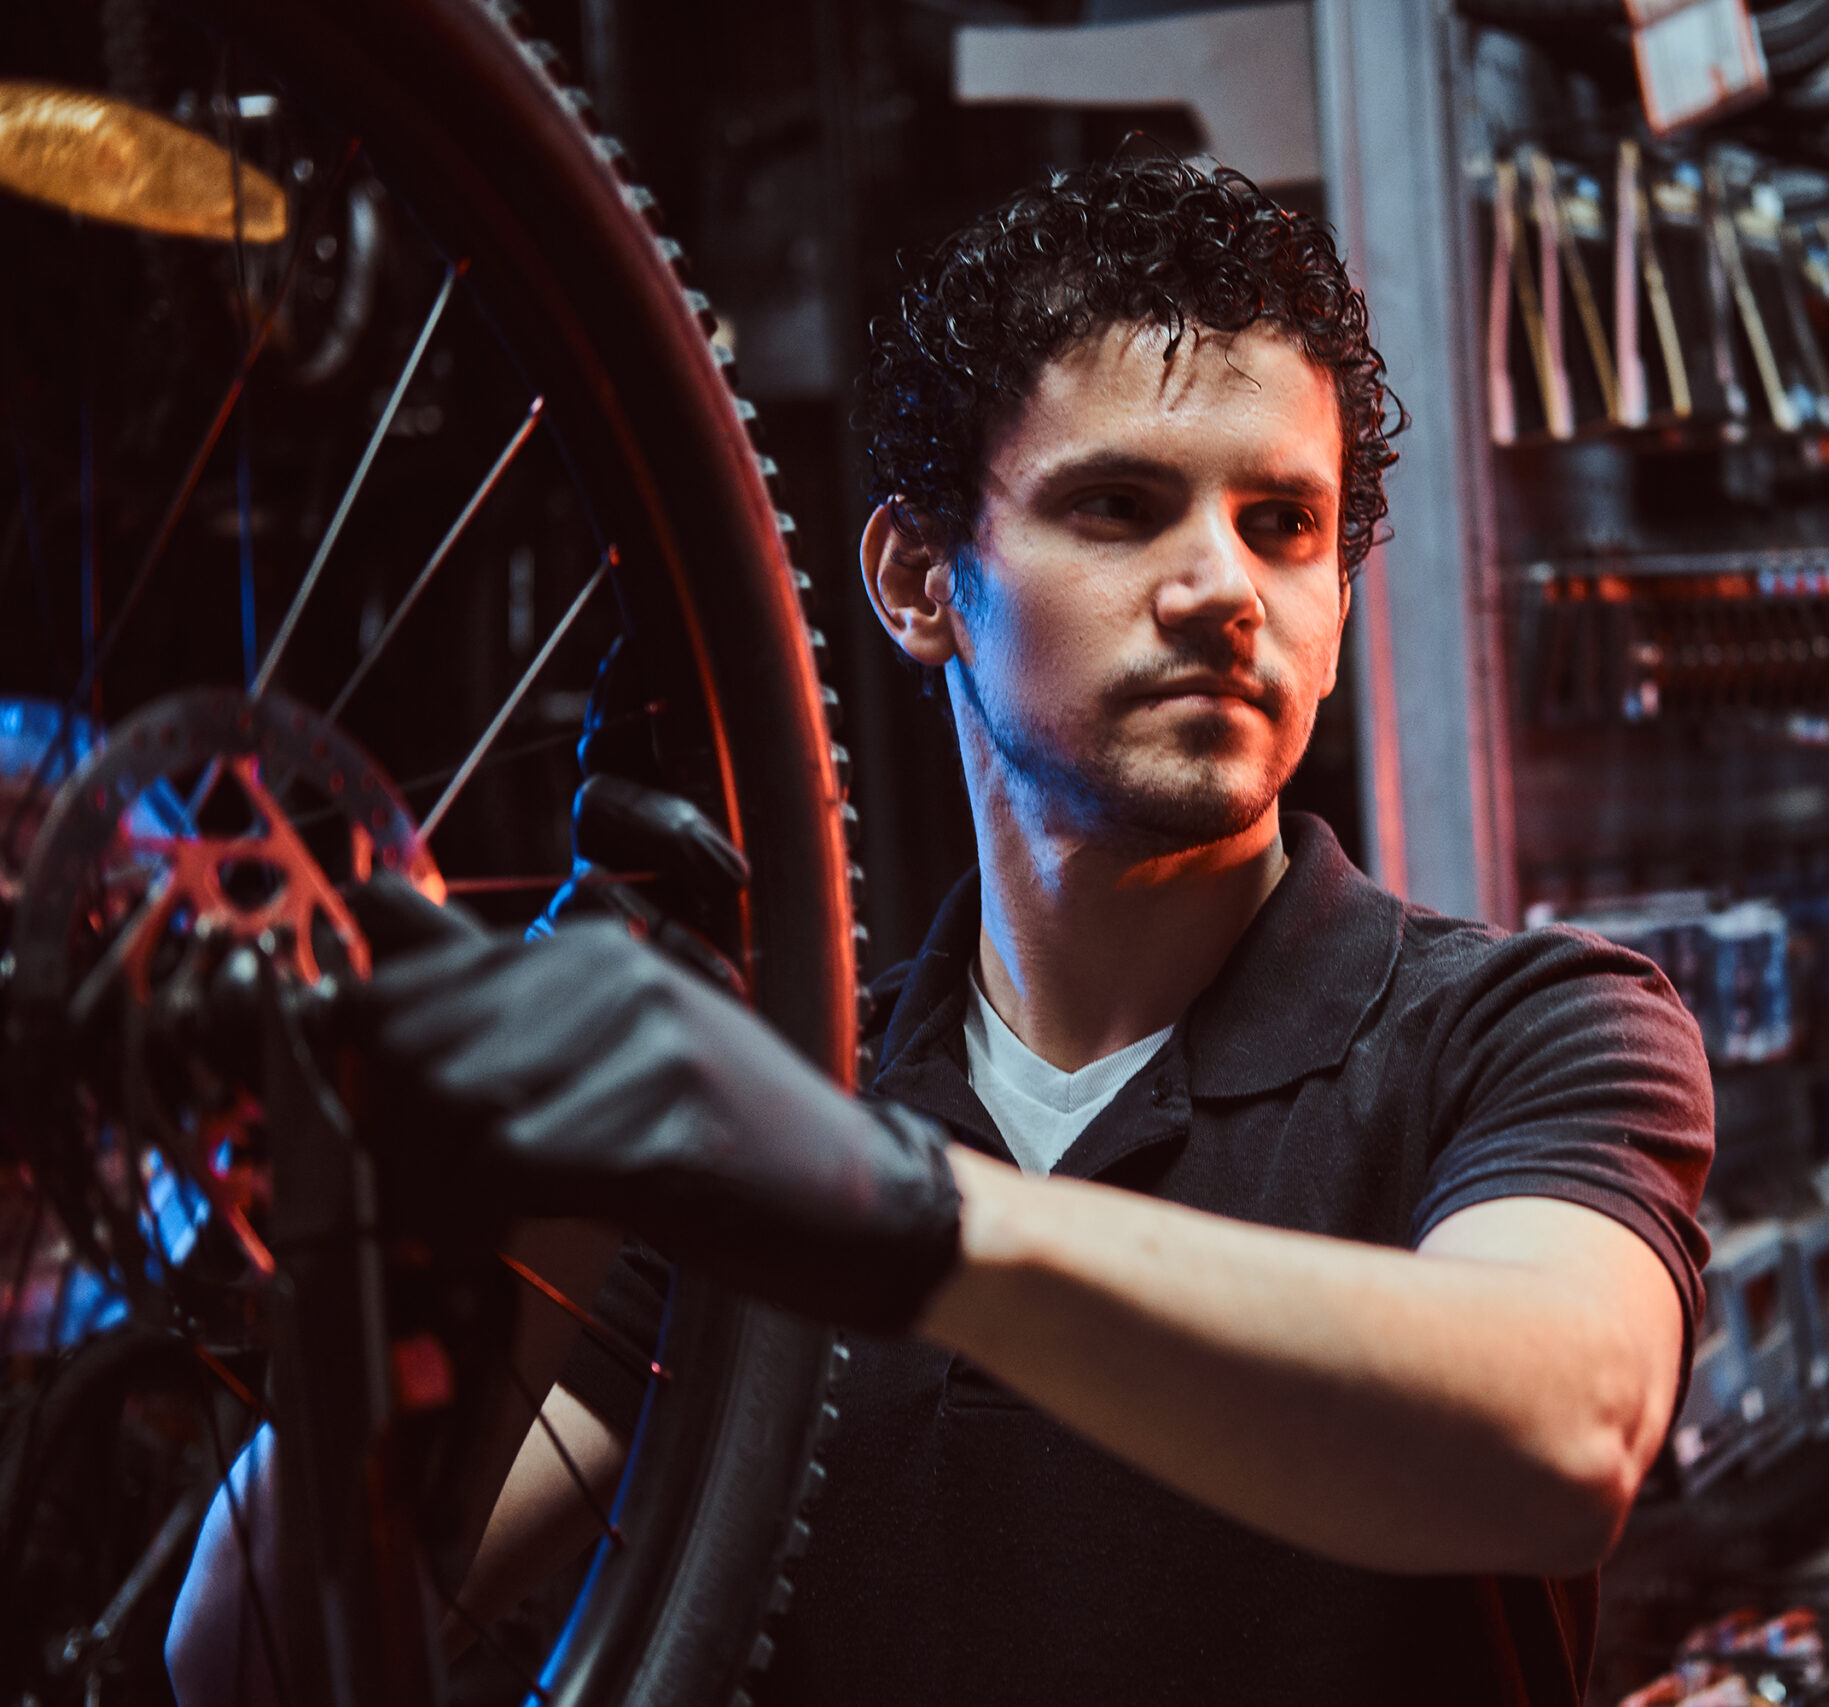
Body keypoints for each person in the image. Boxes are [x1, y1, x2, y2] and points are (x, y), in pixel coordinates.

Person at [172, 155, 1714, 1705]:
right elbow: (242, 1666)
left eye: (1284, 525)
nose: (1223, 588)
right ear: (922, 583)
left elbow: (1559, 1438)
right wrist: (503, 1156)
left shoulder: (1534, 1030)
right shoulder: (791, 1119)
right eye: (1119, 505)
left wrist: (897, 1217)